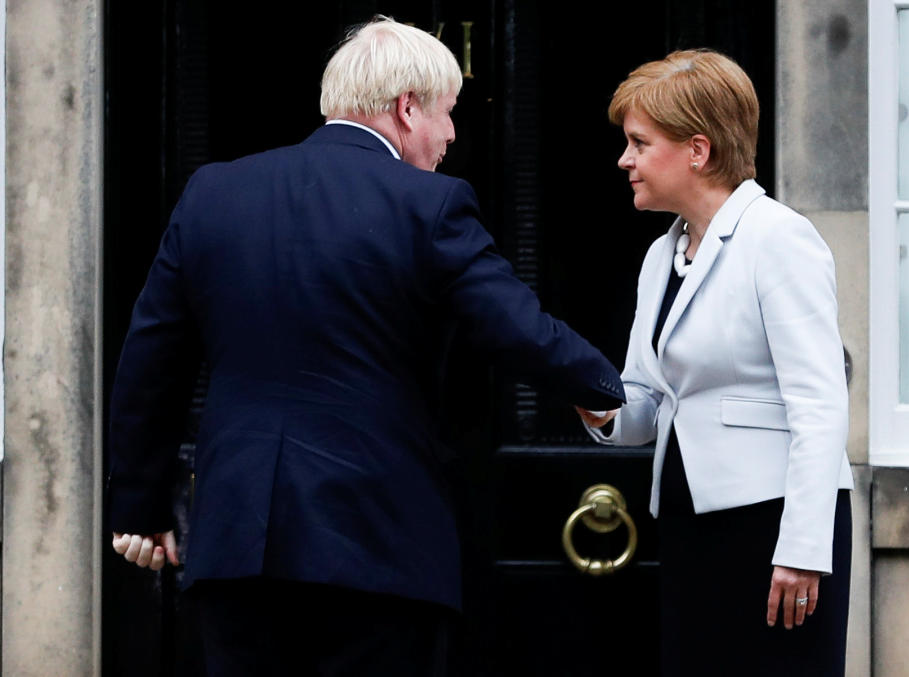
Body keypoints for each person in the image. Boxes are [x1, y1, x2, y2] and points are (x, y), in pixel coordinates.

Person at [108, 16, 625, 677]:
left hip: (237, 548)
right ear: (407, 108)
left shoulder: (213, 194)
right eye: (448, 113)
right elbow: (518, 330)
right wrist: (613, 392)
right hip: (375, 549)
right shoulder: (431, 206)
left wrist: (141, 507)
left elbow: (152, 359)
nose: (451, 135)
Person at [578, 49, 854, 676]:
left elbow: (820, 402)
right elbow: (647, 403)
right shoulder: (661, 256)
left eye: (640, 143)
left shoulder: (778, 237)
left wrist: (803, 548)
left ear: (697, 151)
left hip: (773, 531)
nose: (625, 160)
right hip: (688, 525)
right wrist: (589, 396)